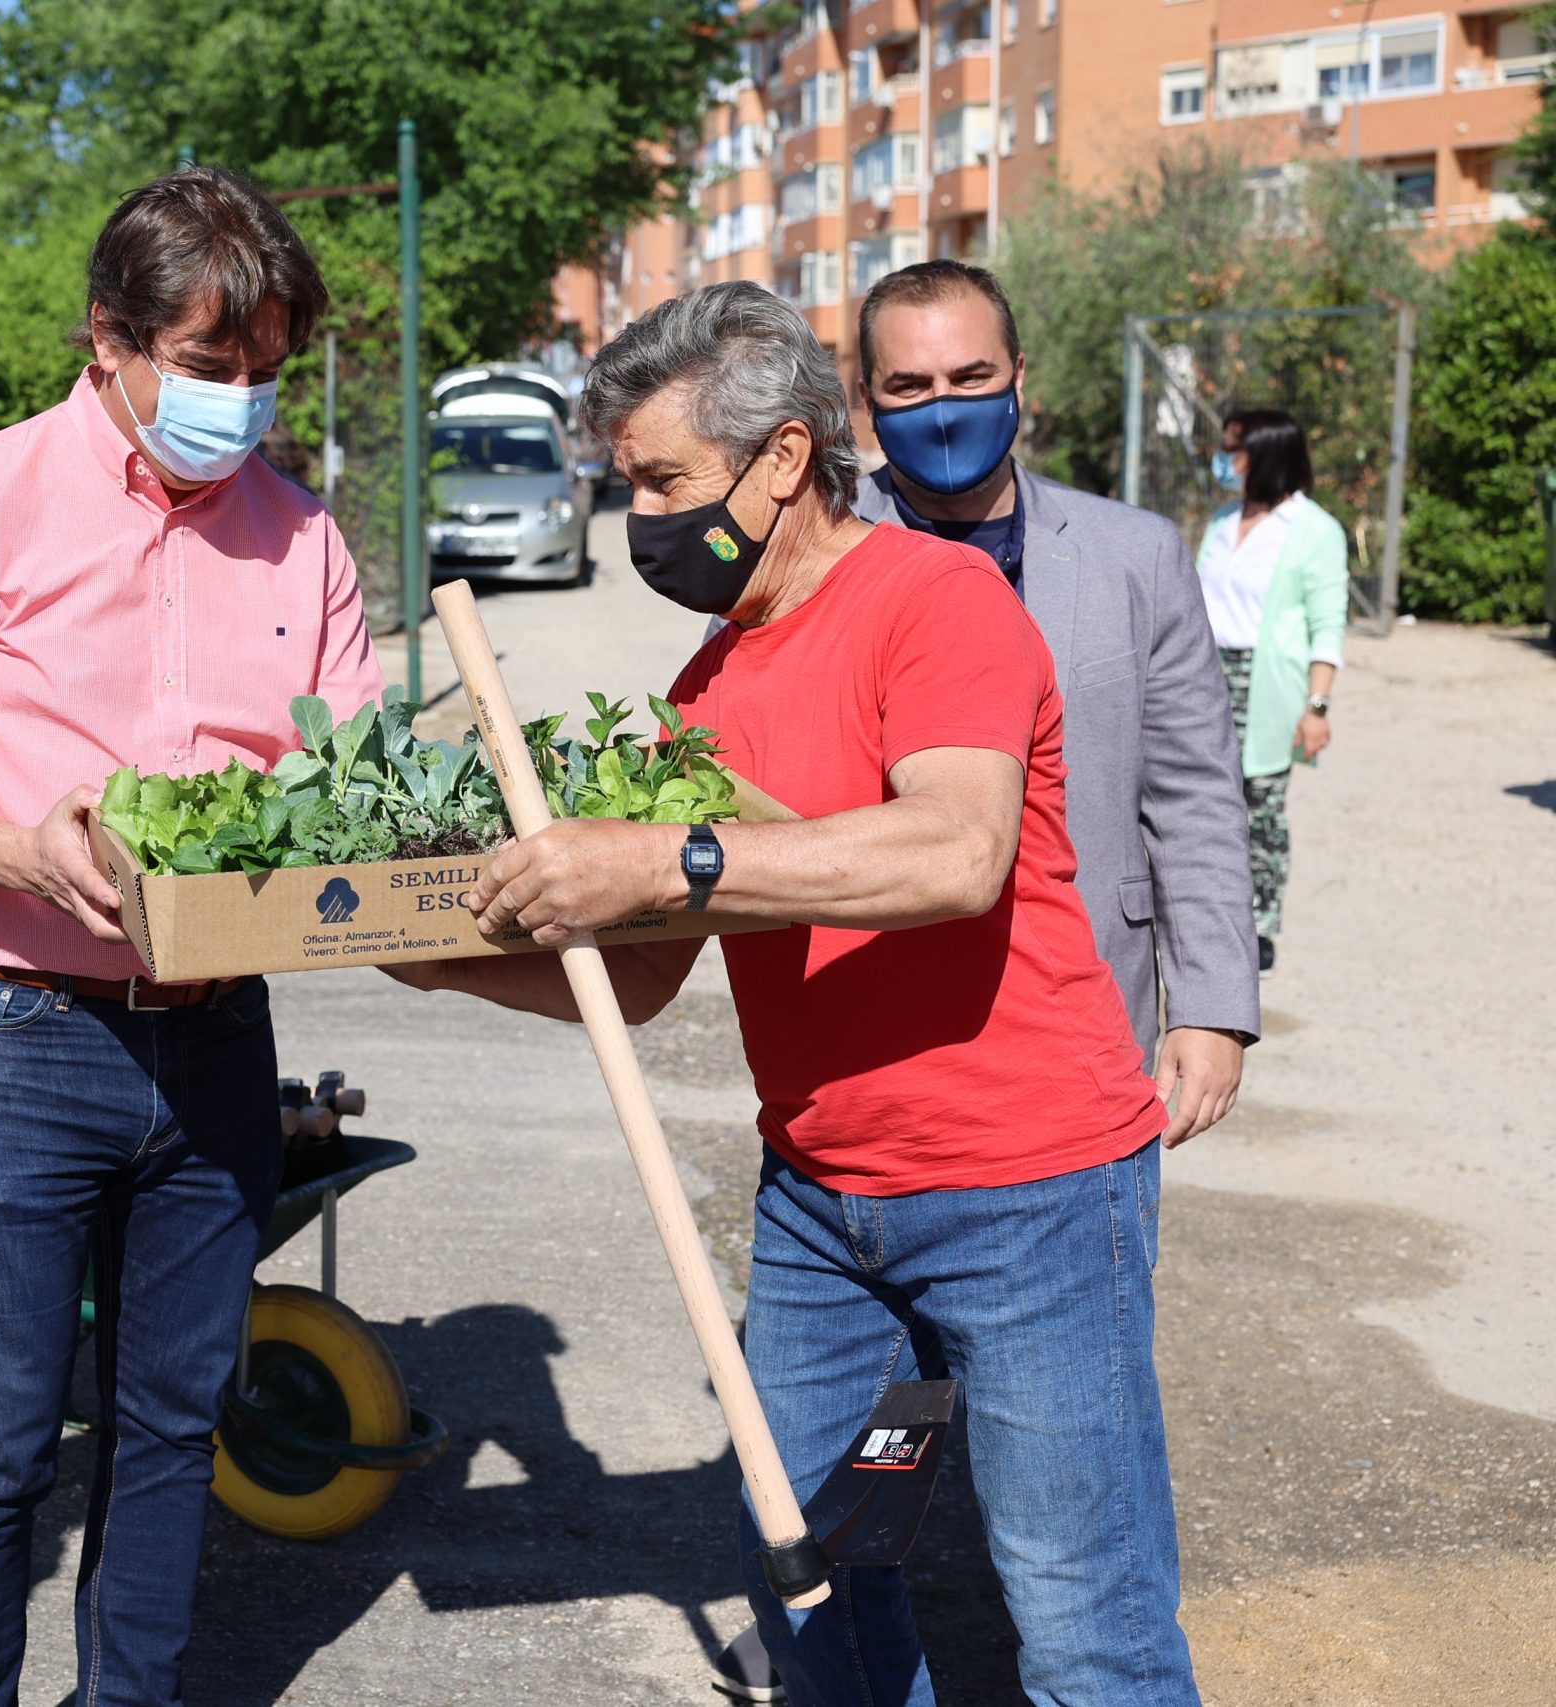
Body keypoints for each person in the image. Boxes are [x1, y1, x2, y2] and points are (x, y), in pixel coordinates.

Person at [392, 281, 1203, 1707]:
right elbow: (641, 971)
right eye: (627, 483)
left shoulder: (938, 598)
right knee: (822, 1564)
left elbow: (957, 850)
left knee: (1083, 1618)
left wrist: (663, 851)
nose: (640, 517)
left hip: (1030, 1189)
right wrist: (410, 942)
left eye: (664, 481)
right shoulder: (706, 681)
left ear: (782, 458)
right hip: (825, 1208)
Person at [0, 167, 379, 1707]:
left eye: (265, 373)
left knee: (173, 1420)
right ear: (111, 340)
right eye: (209, 367)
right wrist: (21, 847)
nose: (241, 403)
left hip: (214, 1027)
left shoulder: (301, 539)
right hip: (6, 1028)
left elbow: (351, 780)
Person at [705, 252, 1263, 1706]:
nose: (943, 408)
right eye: (908, 388)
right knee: (888, 1457)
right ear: (857, 407)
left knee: (1075, 1467)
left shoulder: (1131, 554)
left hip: (1066, 1061)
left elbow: (1197, 791)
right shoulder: (819, 565)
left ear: (1022, 380)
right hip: (879, 1084)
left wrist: (1210, 1000)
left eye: (970, 380)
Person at [1196, 407, 1346, 974]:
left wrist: (1317, 705)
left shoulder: (1314, 531)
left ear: (1268, 457)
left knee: (1262, 813)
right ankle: (1210, 913)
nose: (1224, 459)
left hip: (1267, 685)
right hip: (1206, 676)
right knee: (1203, 800)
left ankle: (1259, 925)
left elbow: (1327, 624)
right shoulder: (1221, 520)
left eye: (1235, 449)